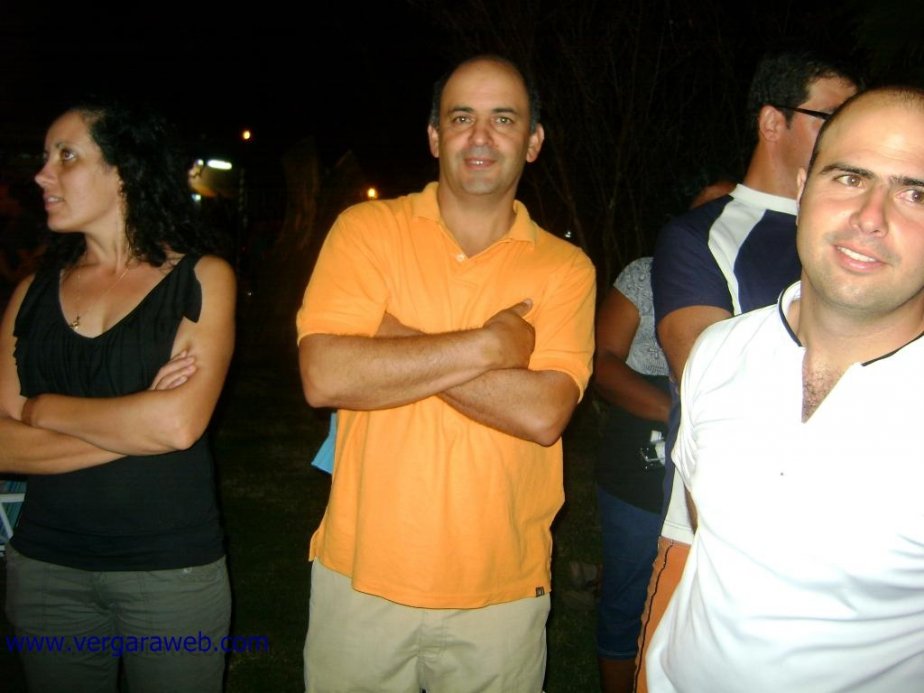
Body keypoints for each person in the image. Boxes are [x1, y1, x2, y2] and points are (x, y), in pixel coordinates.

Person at [296, 55, 596, 692]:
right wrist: (489, 346)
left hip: (502, 593)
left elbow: (543, 413)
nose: (480, 136)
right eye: (461, 118)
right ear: (435, 137)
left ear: (533, 141)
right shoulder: (367, 230)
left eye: (503, 119)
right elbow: (324, 374)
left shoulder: (566, 269)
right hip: (360, 579)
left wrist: (389, 336)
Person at [646, 85, 924, 692]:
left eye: (915, 193)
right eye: (849, 178)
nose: (871, 217)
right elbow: (701, 536)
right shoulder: (719, 353)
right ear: (802, 190)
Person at [0, 101, 236, 692]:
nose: (42, 174)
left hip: (170, 569)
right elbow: (3, 445)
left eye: (67, 156)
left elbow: (177, 427)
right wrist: (137, 422)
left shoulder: (200, 279)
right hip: (46, 569)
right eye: (45, 157)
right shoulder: (29, 295)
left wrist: (42, 410)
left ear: (125, 171)